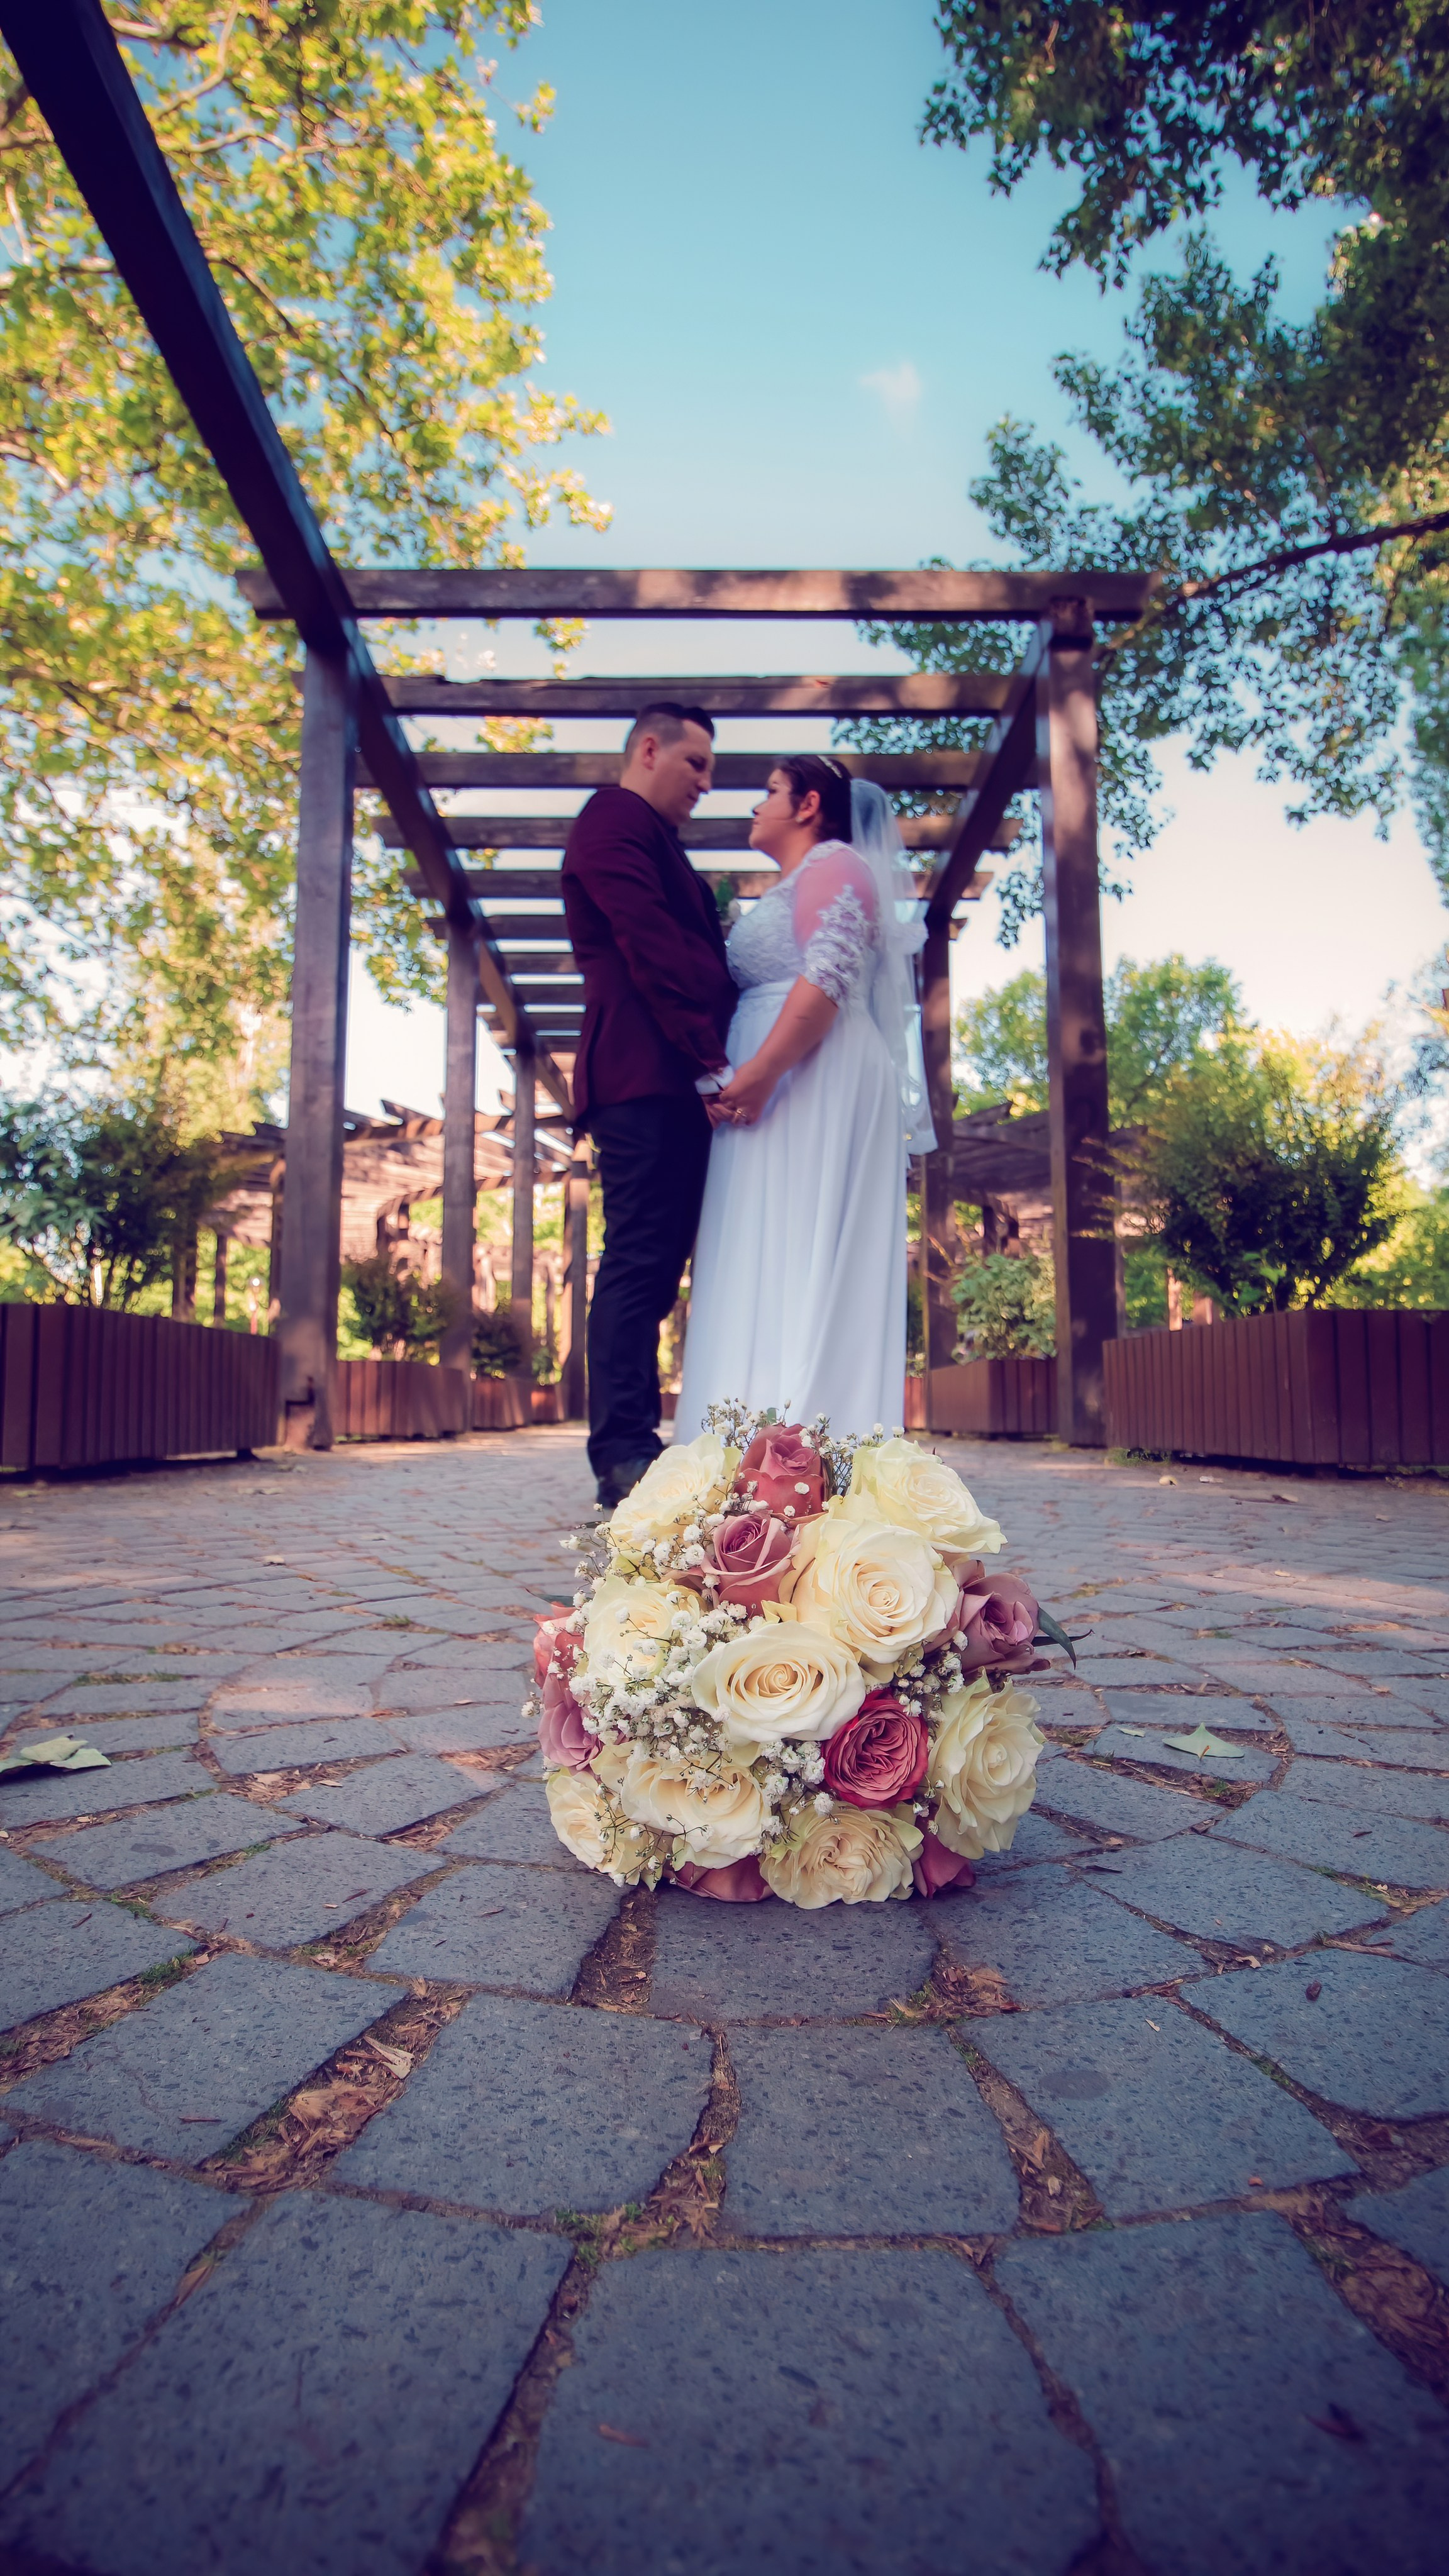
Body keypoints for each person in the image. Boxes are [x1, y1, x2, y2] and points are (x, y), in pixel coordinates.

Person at [675, 755, 935, 1439]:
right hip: (780, 1080)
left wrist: (761, 1071)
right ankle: (746, 1443)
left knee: (802, 1253)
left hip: (809, 1075)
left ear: (809, 803)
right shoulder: (799, 879)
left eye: (769, 792)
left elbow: (828, 975)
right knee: (763, 1252)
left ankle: (811, 1445)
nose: (755, 806)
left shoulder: (835, 864)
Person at [563, 702, 737, 1509]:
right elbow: (652, 948)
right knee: (636, 1263)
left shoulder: (655, 838)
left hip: (667, 1079)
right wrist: (711, 1059)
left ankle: (639, 1440)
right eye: (696, 762)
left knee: (656, 1268)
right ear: (647, 749)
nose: (707, 781)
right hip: (643, 1076)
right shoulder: (612, 822)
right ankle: (623, 1453)